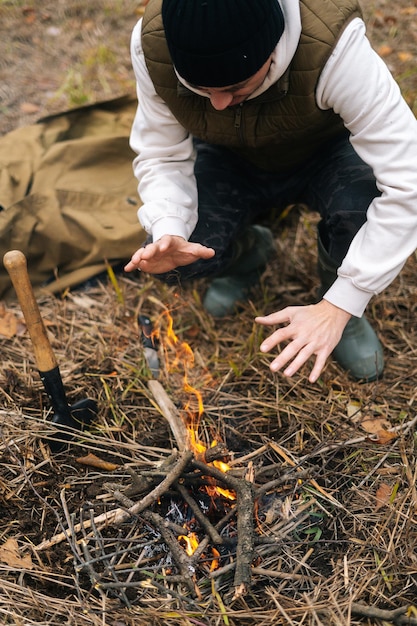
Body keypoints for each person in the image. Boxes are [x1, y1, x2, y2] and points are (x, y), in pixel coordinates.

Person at [124, 0, 417, 384]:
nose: (218, 104)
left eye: (234, 87)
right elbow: (161, 152)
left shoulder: (334, 47)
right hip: (229, 157)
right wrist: (168, 225)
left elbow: (409, 181)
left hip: (325, 151)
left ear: (274, 46)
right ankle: (250, 255)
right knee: (175, 254)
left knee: (359, 211)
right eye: (199, 88)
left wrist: (342, 302)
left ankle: (343, 320)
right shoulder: (154, 46)